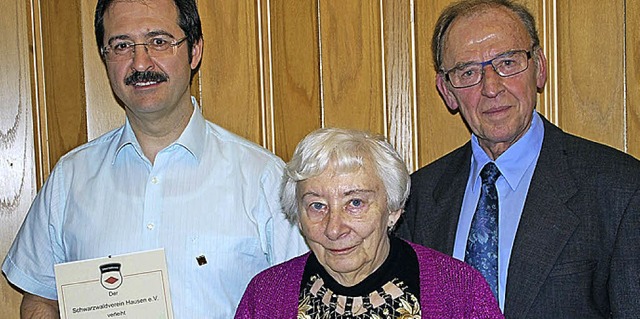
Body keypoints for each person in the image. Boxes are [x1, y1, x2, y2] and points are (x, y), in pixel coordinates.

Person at [2, 0, 307, 317]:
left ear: (194, 51)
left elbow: (305, 298)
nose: (140, 63)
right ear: (105, 58)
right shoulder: (70, 178)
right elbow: (40, 298)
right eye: (121, 45)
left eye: (159, 41)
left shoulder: (264, 178)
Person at [397, 0, 640, 317]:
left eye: (508, 63)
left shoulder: (618, 189)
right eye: (468, 71)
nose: (491, 88)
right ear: (447, 90)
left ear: (539, 67)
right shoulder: (418, 199)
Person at [235, 128, 503, 318]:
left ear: (394, 210)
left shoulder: (458, 290)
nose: (334, 228)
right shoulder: (266, 296)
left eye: (355, 203)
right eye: (317, 206)